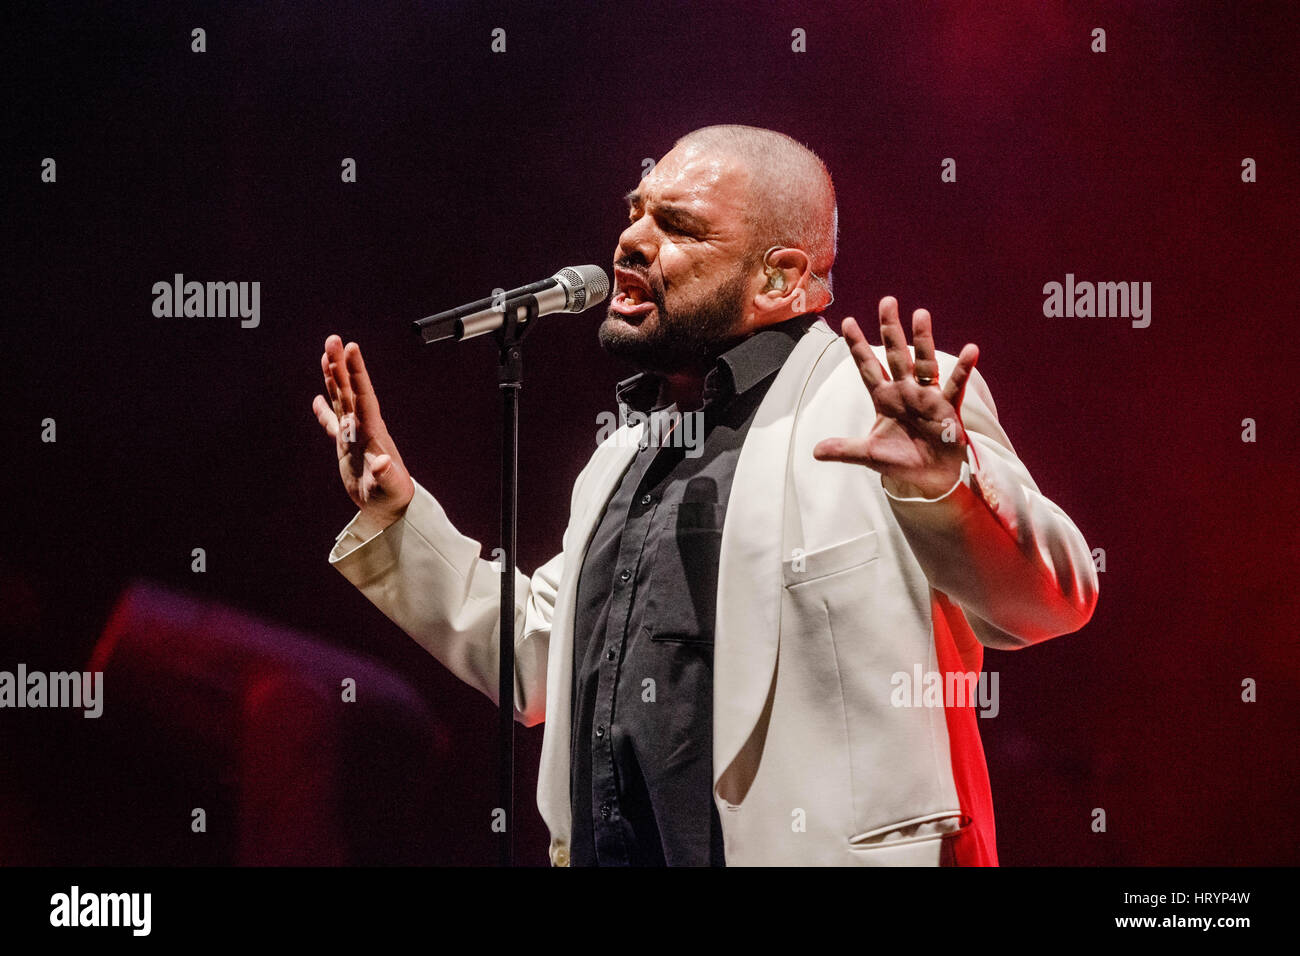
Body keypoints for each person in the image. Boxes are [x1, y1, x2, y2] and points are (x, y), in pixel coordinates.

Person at [312, 125, 1099, 866]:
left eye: (679, 226)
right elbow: (537, 658)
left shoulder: (876, 407)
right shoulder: (624, 455)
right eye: (636, 212)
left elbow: (1052, 598)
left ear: (780, 276)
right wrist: (398, 518)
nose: (630, 240)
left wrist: (947, 483)